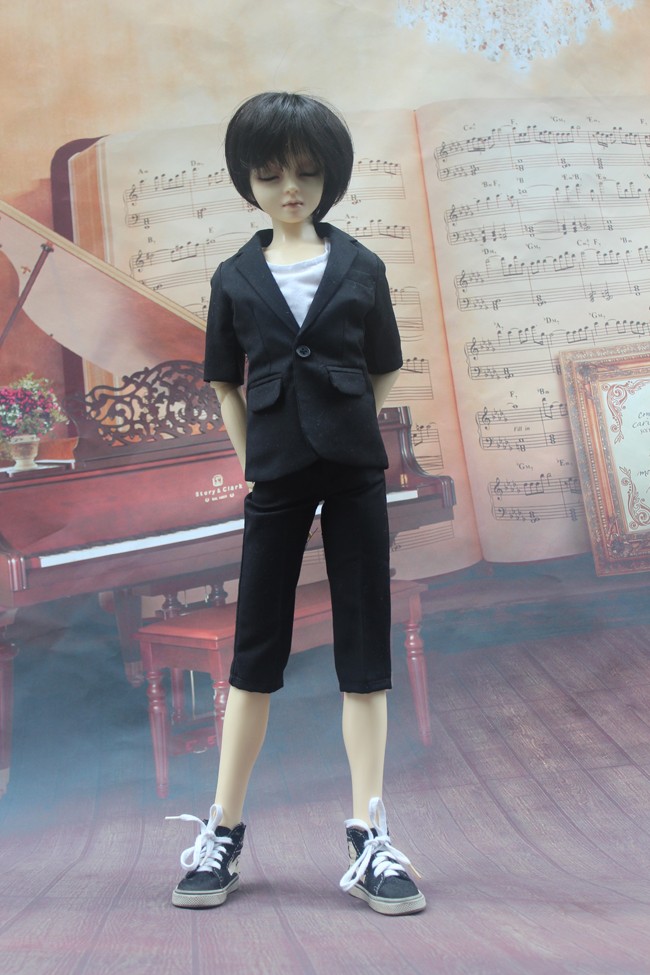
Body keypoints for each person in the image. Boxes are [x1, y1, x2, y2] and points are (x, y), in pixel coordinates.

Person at [167, 91, 426, 917]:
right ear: (248, 180)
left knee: (364, 642)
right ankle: (222, 828)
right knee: (256, 646)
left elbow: (386, 362)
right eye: (272, 174)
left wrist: (352, 420)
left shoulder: (361, 266)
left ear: (330, 179)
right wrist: (255, 460)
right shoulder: (234, 277)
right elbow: (222, 380)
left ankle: (370, 831)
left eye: (308, 174)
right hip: (276, 474)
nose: (290, 189)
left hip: (354, 471)